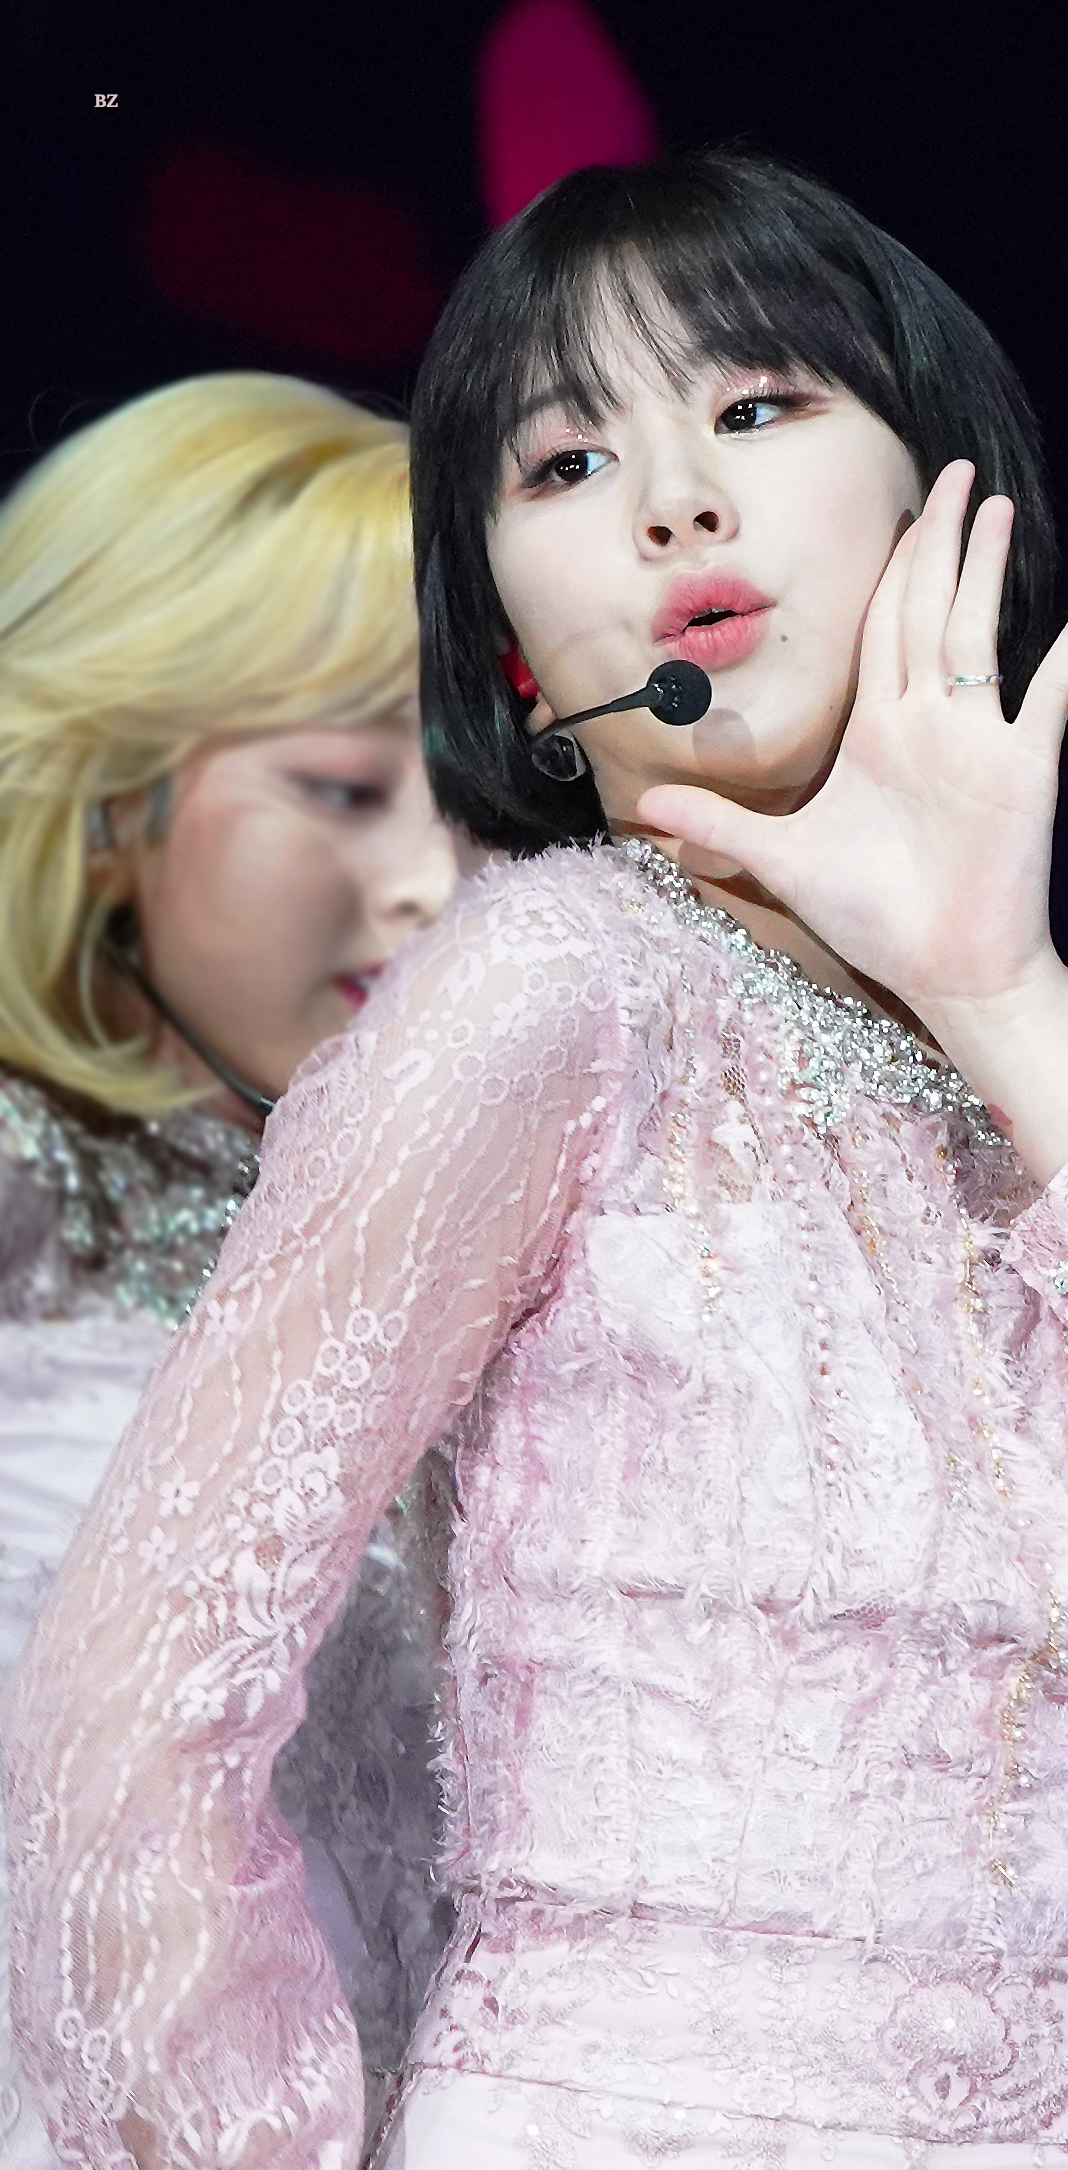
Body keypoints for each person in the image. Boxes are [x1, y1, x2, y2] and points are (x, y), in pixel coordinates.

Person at [5, 153, 1068, 2170]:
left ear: (943, 486)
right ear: (510, 645)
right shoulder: (553, 993)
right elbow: (134, 1703)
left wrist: (1000, 993)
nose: (676, 500)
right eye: (566, 463)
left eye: (757, 406)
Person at [0, 374, 458, 2169]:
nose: (431, 880)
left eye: (477, 796)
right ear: (106, 800)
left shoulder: (478, 1214)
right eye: (343, 786)